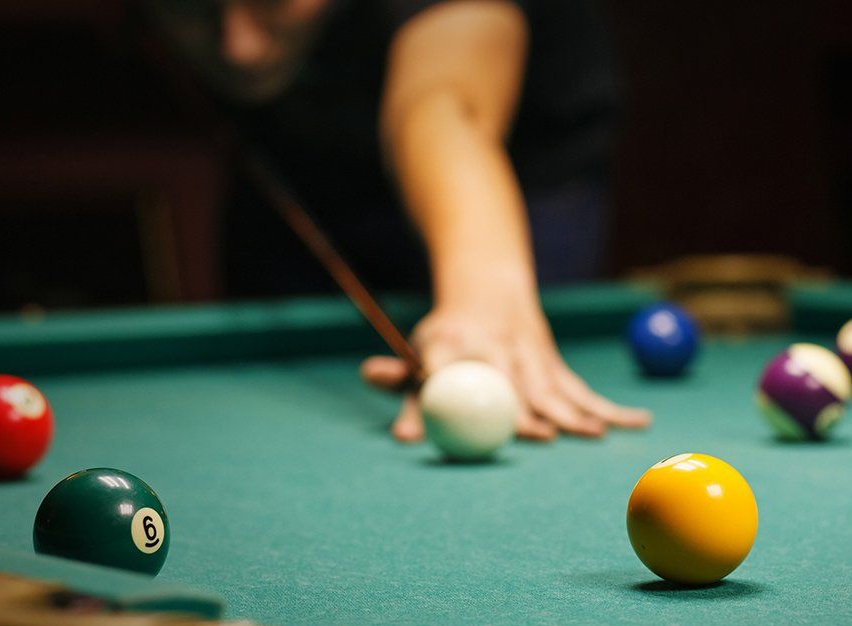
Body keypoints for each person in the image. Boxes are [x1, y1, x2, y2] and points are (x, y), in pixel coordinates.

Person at [146, 0, 651, 442]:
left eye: (273, 0)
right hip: (308, 172)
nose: (240, 47)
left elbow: (443, 105)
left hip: (520, 179)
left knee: (510, 360)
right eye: (193, 4)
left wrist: (480, 297)